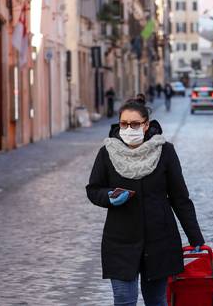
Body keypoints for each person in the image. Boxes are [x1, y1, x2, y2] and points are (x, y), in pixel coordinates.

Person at [86, 98, 205, 306]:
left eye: (134, 124)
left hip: (160, 240)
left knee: (157, 301)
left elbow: (180, 198)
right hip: (120, 240)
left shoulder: (165, 151)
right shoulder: (107, 153)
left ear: (146, 125)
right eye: (124, 124)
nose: (129, 128)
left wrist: (195, 237)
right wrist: (109, 197)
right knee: (123, 300)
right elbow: (93, 189)